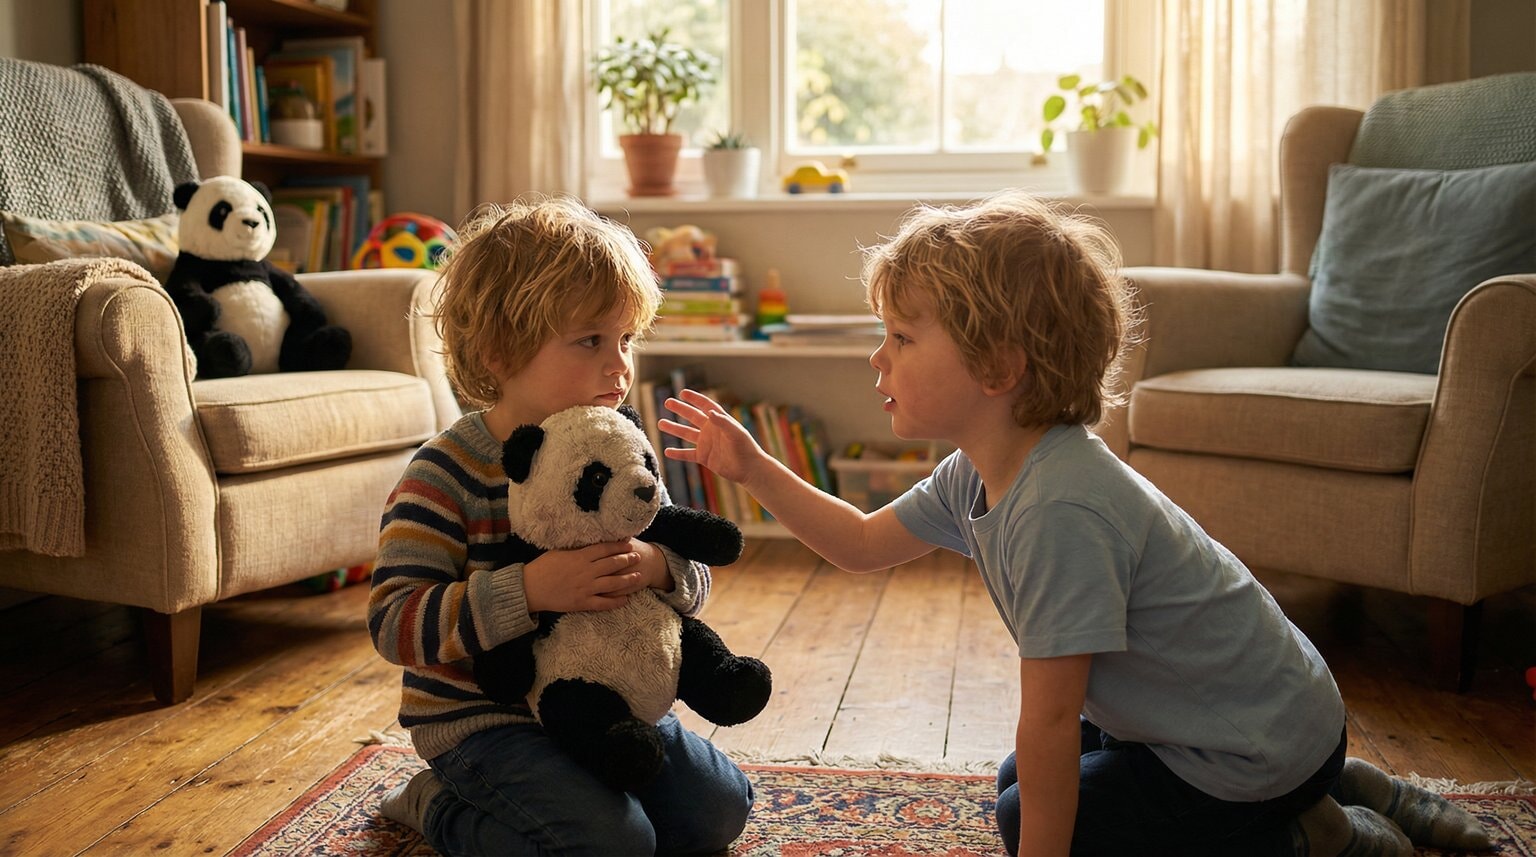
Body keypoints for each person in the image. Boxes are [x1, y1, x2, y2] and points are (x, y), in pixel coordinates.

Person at [659, 191, 1488, 857]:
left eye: (902, 337)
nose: (879, 358)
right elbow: (862, 543)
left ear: (998, 367)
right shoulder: (981, 469)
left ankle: (1323, 829)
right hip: (1251, 715)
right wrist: (753, 465)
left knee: (1038, 818)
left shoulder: (1063, 508)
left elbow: (1054, 717)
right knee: (1028, 778)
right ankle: (1353, 782)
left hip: (1254, 750)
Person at [367, 197, 753, 855]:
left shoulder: (618, 444)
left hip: (608, 701)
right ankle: (435, 804)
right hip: (483, 723)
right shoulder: (443, 474)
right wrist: (530, 590)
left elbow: (692, 577)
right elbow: (395, 622)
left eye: (627, 339)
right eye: (591, 340)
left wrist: (660, 567)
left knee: (719, 812)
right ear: (498, 350)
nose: (621, 364)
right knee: (613, 844)